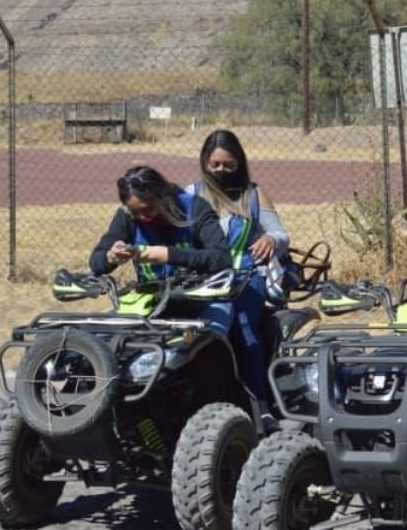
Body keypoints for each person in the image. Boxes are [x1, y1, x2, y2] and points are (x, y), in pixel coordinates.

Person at [184, 130, 289, 403]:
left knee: (245, 332)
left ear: (239, 163)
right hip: (202, 279)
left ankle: (260, 405)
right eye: (215, 165)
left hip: (246, 276)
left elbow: (281, 236)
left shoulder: (253, 195)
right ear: (205, 163)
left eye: (229, 165)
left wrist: (270, 239)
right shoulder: (191, 195)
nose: (222, 170)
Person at [89, 164, 232, 282]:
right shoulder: (126, 217)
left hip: (200, 299)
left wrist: (169, 255)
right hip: (152, 299)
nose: (141, 217)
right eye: (134, 211)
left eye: (147, 209)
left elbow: (222, 258)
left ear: (162, 196)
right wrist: (111, 257)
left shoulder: (195, 209)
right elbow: (96, 262)